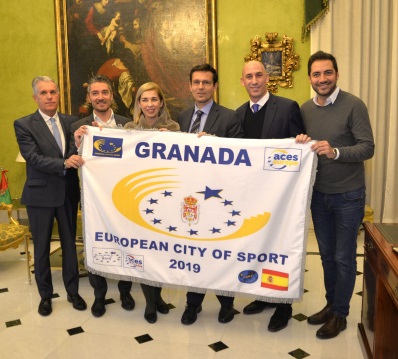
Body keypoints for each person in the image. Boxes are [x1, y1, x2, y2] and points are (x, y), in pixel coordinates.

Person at [295, 51, 375, 339]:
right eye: (316, 74)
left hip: (348, 196)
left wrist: (336, 151)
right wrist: (301, 142)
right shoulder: (304, 109)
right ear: (309, 79)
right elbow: (300, 147)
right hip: (319, 195)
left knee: (343, 257)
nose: (322, 79)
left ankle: (340, 314)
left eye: (327, 73)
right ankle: (331, 305)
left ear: (337, 74)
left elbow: (368, 147)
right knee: (327, 256)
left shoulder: (354, 105)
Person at [237, 60, 305, 332]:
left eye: (258, 75)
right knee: (257, 247)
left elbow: (299, 148)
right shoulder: (239, 113)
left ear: (267, 78)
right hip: (251, 197)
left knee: (279, 250)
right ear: (242, 81)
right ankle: (263, 295)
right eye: (248, 77)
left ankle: (283, 305)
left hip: (281, 198)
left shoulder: (288, 107)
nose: (254, 81)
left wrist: (302, 142)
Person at [14, 76, 87, 316]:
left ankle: (73, 292)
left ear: (58, 95)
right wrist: (64, 162)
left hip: (67, 194)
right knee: (42, 248)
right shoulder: (24, 124)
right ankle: (45, 296)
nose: (49, 97)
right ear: (35, 97)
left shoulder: (71, 121)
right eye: (43, 93)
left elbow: (78, 153)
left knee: (69, 246)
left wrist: (77, 146)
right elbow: (32, 157)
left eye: (53, 92)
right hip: (39, 196)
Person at [177, 64, 243, 325]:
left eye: (206, 82)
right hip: (188, 197)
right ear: (190, 86)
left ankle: (227, 305)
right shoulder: (180, 117)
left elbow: (239, 157)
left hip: (218, 197)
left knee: (220, 252)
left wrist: (214, 144)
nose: (201, 87)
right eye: (196, 82)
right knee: (194, 252)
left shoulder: (229, 117)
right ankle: (193, 304)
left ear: (215, 87)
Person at [71, 75, 136, 318]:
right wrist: (78, 143)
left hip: (124, 199)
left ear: (112, 96)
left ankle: (125, 291)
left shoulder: (128, 125)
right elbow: (71, 159)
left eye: (105, 93)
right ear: (89, 98)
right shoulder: (79, 127)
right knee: (96, 244)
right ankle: (99, 296)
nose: (100, 97)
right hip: (94, 201)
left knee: (125, 244)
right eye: (95, 93)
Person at [124, 82, 180, 323]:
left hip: (165, 201)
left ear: (161, 103)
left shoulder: (174, 127)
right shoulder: (128, 128)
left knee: (161, 254)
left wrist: (173, 141)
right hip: (138, 201)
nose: (149, 105)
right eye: (144, 100)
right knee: (145, 253)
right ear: (138, 104)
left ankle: (158, 298)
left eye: (154, 100)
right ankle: (150, 303)